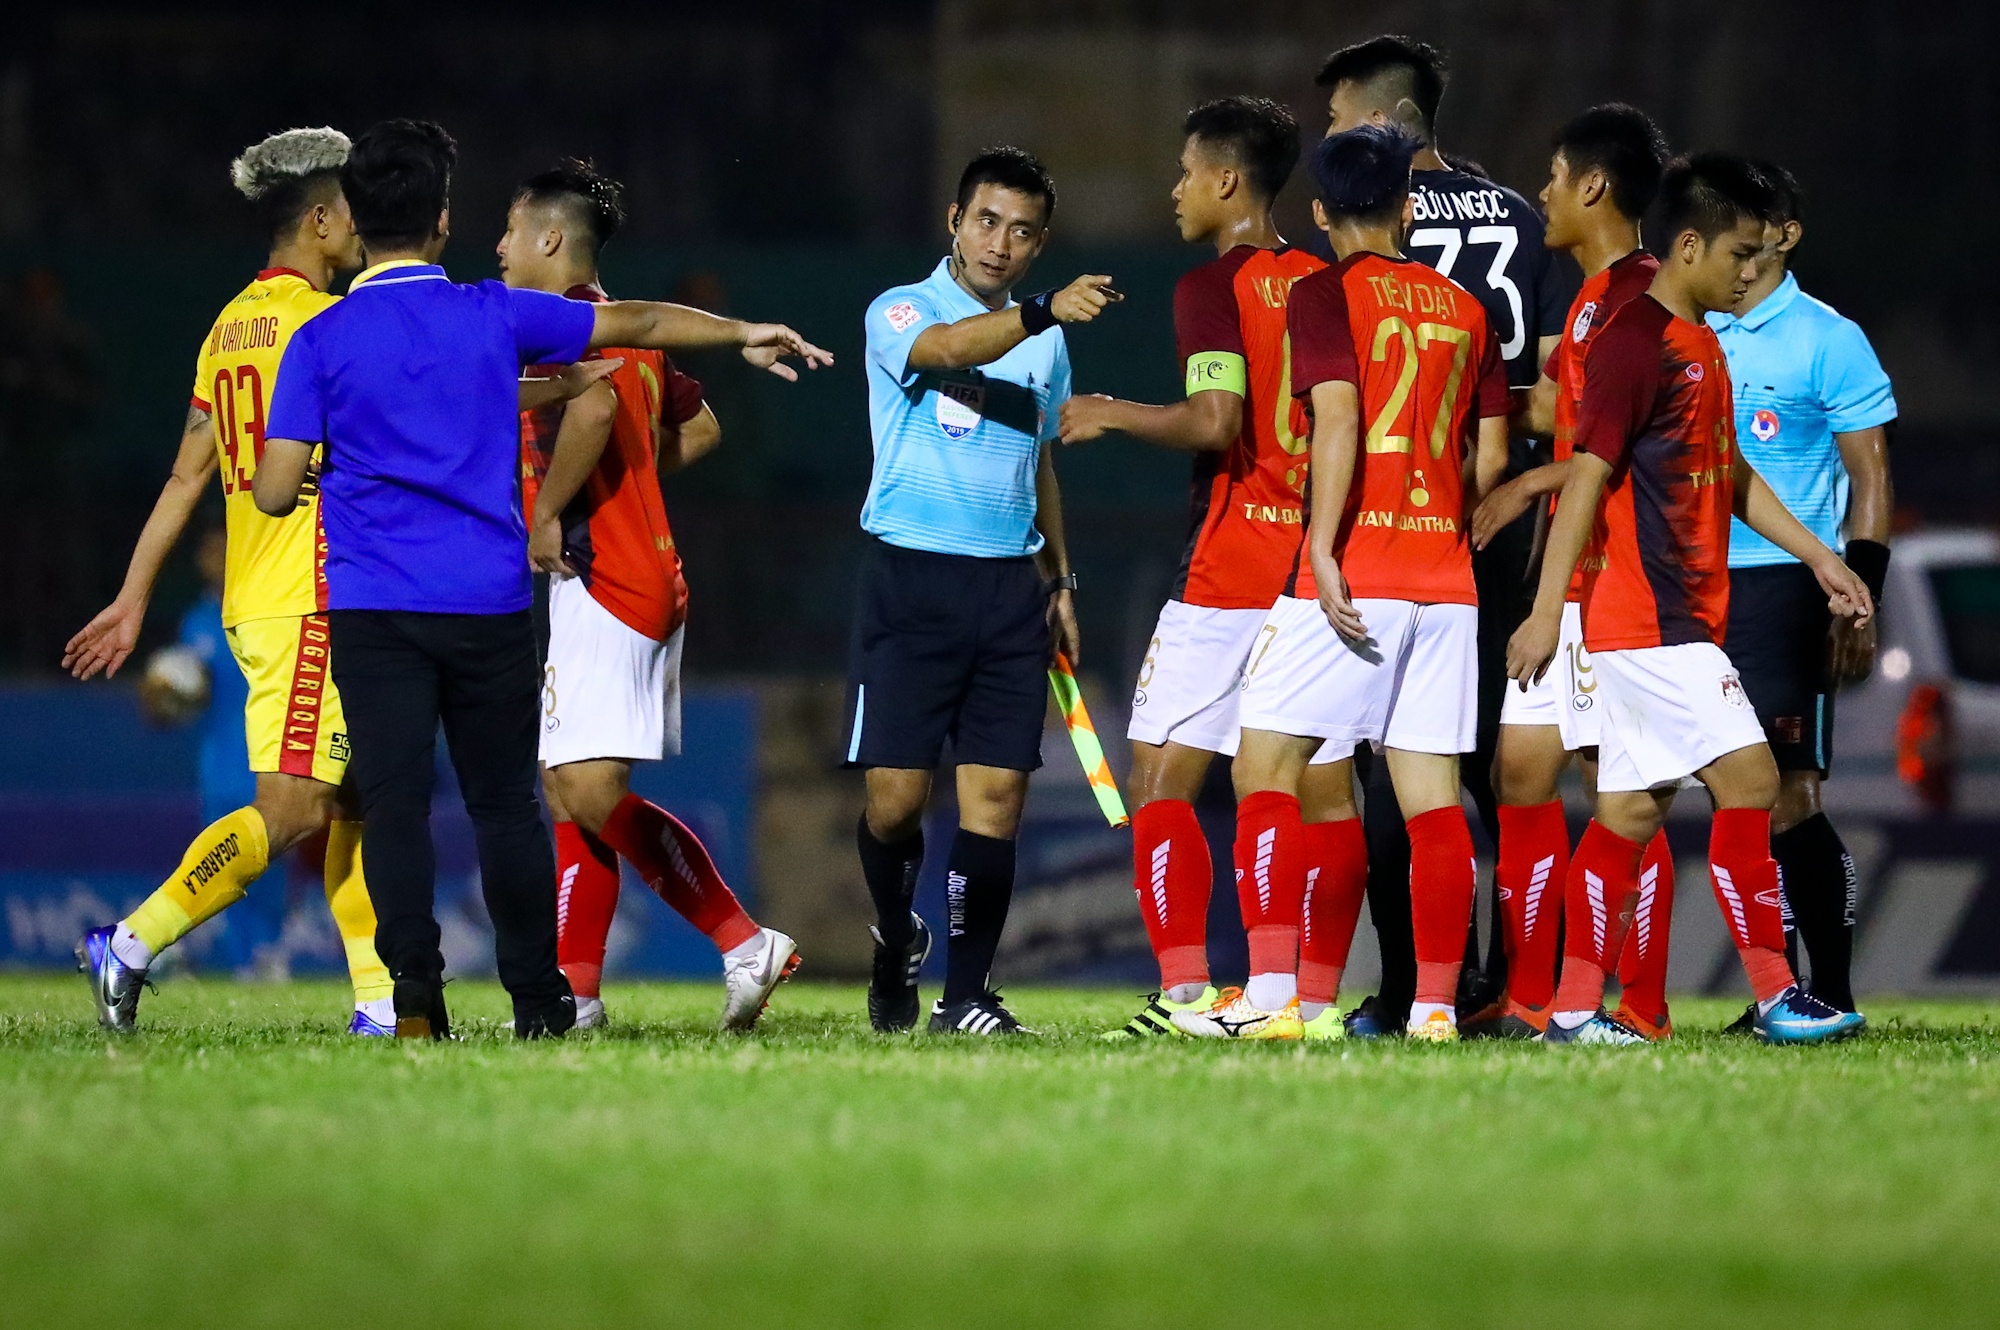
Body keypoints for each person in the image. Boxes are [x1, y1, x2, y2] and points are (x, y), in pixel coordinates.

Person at [252, 119, 830, 1039]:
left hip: (376, 605)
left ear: (354, 221)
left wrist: (337, 460)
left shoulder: (321, 340)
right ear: (440, 221)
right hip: (484, 602)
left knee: (399, 808)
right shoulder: (490, 314)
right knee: (511, 806)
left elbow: (278, 490)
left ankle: (416, 1007)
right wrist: (743, 331)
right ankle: (547, 998)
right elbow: (636, 322)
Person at [1505, 153, 1872, 1046]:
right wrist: (1550, 611)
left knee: (1627, 814)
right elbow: (1586, 482)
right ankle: (1780, 994)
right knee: (1750, 781)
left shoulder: (1701, 342)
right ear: (1690, 245)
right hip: (1653, 621)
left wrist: (1822, 559)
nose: (1753, 271)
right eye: (1741, 255)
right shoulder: (1638, 340)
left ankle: (1574, 1007)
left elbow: (1732, 477)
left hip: (1664, 621)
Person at [1174, 124, 1510, 1043]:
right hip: (1446, 578)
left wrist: (1322, 545)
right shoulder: (1468, 310)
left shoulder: (1322, 294)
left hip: (1357, 569)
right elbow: (1487, 457)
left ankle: (1276, 994)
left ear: (1319, 213)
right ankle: (1436, 1007)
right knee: (1433, 797)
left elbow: (1336, 419)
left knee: (1263, 767)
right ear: (1408, 205)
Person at [67, 127, 397, 1036]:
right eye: (355, 219)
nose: (364, 234)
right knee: (291, 810)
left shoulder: (228, 327)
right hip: (310, 598)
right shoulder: (328, 323)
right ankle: (131, 943)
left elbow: (185, 479)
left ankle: (377, 1001)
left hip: (259, 595)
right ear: (322, 221)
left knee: (355, 793)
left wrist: (133, 596)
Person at [498, 158, 799, 1032]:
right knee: (568, 788)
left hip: (606, 579)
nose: (500, 248)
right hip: (630, 569)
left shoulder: (557, 333)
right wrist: (625, 490)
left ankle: (743, 940)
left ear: (550, 239)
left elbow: (590, 418)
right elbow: (699, 430)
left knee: (586, 791)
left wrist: (557, 511)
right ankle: (577, 995)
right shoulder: (626, 331)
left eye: (512, 232)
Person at [1315, 35, 1577, 1033]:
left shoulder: (1365, 225)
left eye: (1339, 120)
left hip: (1396, 520)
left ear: (1378, 125)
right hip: (1505, 520)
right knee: (1493, 773)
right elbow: (1553, 385)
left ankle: (1401, 988)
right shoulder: (1518, 213)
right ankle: (1507, 989)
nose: (1331, 139)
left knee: (1394, 765)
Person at [1056, 96, 1331, 1039]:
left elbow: (1215, 424)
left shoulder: (1211, 288)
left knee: (1162, 775)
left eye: (1184, 173)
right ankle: (1293, 996)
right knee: (1300, 787)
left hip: (1230, 562)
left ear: (1225, 181)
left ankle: (1184, 993)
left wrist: (1110, 411)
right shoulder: (1328, 282)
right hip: (1319, 562)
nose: (1175, 191)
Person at [849, 146, 1115, 1036]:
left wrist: (1060, 579)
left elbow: (1040, 459)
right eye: (988, 221)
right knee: (893, 803)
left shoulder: (1048, 345)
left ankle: (966, 997)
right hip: (910, 579)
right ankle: (895, 939)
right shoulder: (901, 308)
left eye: (1024, 231)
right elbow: (946, 350)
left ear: (1040, 243)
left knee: (995, 798)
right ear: (954, 222)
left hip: (1008, 590)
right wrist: (1040, 313)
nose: (1001, 244)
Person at [1466, 104, 1674, 1040]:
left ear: (1592, 187)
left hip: (1608, 582)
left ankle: (1639, 1005)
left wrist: (1546, 595)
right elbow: (1570, 416)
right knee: (1522, 770)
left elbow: (1614, 454)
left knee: (1615, 788)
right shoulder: (1592, 295)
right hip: (1572, 565)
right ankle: (1534, 995)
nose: (1542, 192)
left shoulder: (1638, 299)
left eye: (1554, 176)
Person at [1708, 161, 1895, 1020]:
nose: (1739, 254)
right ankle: (1772, 991)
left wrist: (1863, 591)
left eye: (1755, 231)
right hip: (1690, 587)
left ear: (1785, 234)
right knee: (1725, 799)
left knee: (1789, 796)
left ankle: (1831, 990)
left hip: (1785, 588)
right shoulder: (1695, 323)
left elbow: (1871, 472)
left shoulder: (1828, 337)